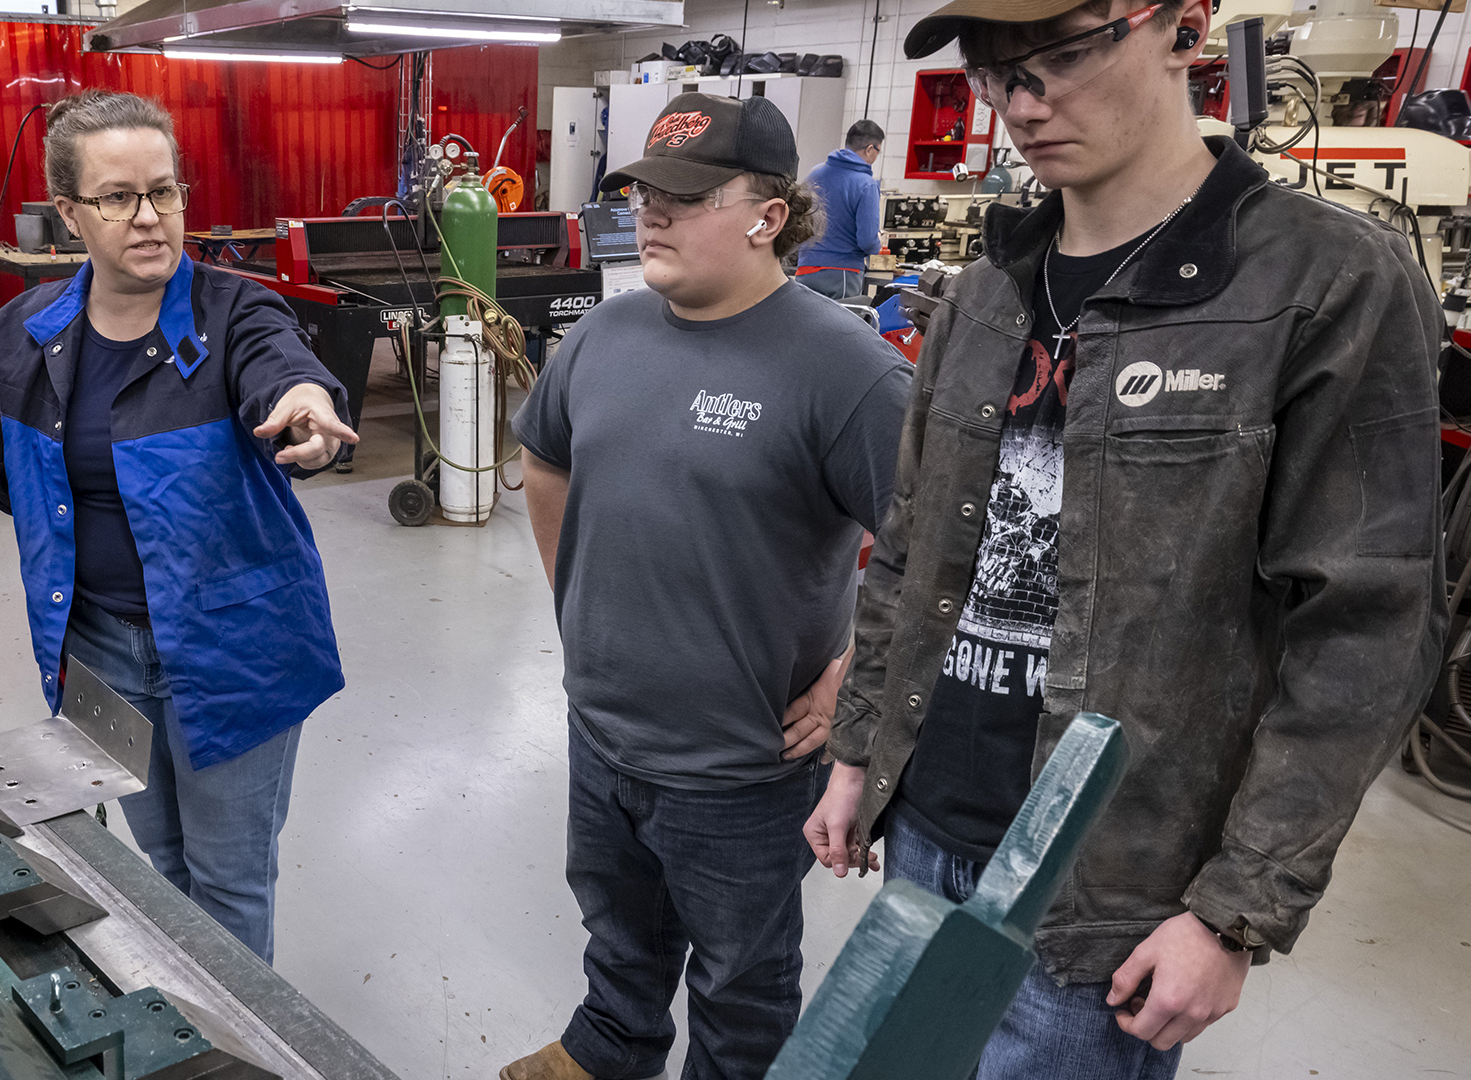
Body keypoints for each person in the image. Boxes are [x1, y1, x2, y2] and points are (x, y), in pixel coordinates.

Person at [803, 0, 1446, 1076]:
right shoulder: (984, 291)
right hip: (926, 829)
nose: (1020, 103)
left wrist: (1236, 910)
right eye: (995, 71)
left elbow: (1367, 630)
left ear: (1184, 29)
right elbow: (912, 552)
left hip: (1105, 896)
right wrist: (860, 750)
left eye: (1058, 54)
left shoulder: (1323, 282)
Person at [499, 93, 913, 1080]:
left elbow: (946, 550)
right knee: (620, 931)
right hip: (603, 728)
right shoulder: (607, 334)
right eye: (643, 193)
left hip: (739, 769)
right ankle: (611, 1047)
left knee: (740, 979)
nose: (651, 214)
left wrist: (859, 679)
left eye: (684, 198)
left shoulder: (847, 370)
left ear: (769, 214)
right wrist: (577, 606)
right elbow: (544, 457)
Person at [0, 90, 358, 965]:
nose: (151, 217)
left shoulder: (236, 312)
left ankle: (242, 1055)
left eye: (165, 191)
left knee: (230, 876)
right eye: (119, 197)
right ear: (69, 213)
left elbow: (284, 371)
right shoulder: (26, 329)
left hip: (235, 646)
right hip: (97, 651)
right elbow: (25, 494)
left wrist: (308, 408)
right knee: (160, 864)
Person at [795, 120, 883, 300]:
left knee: (806, 325)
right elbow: (867, 240)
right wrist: (878, 245)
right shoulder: (866, 185)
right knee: (839, 326)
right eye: (878, 152)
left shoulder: (814, 173)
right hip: (842, 272)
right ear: (869, 149)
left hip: (805, 267)